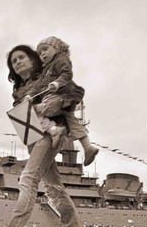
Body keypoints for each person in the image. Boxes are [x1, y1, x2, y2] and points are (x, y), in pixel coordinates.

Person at [0, 45, 89, 227]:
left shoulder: (47, 75)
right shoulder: (18, 90)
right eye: (14, 61)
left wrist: (57, 101)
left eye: (22, 57)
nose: (18, 62)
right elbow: (24, 116)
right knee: (54, 188)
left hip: (51, 134)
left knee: (28, 179)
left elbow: (75, 91)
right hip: (32, 136)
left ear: (33, 59)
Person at [35, 36, 99, 166]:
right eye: (40, 53)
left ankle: (54, 130)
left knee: (35, 110)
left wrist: (57, 83)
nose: (42, 54)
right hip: (65, 98)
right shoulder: (45, 69)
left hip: (60, 95)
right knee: (72, 121)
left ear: (57, 48)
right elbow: (38, 86)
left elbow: (67, 74)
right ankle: (88, 147)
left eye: (45, 49)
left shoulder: (60, 60)